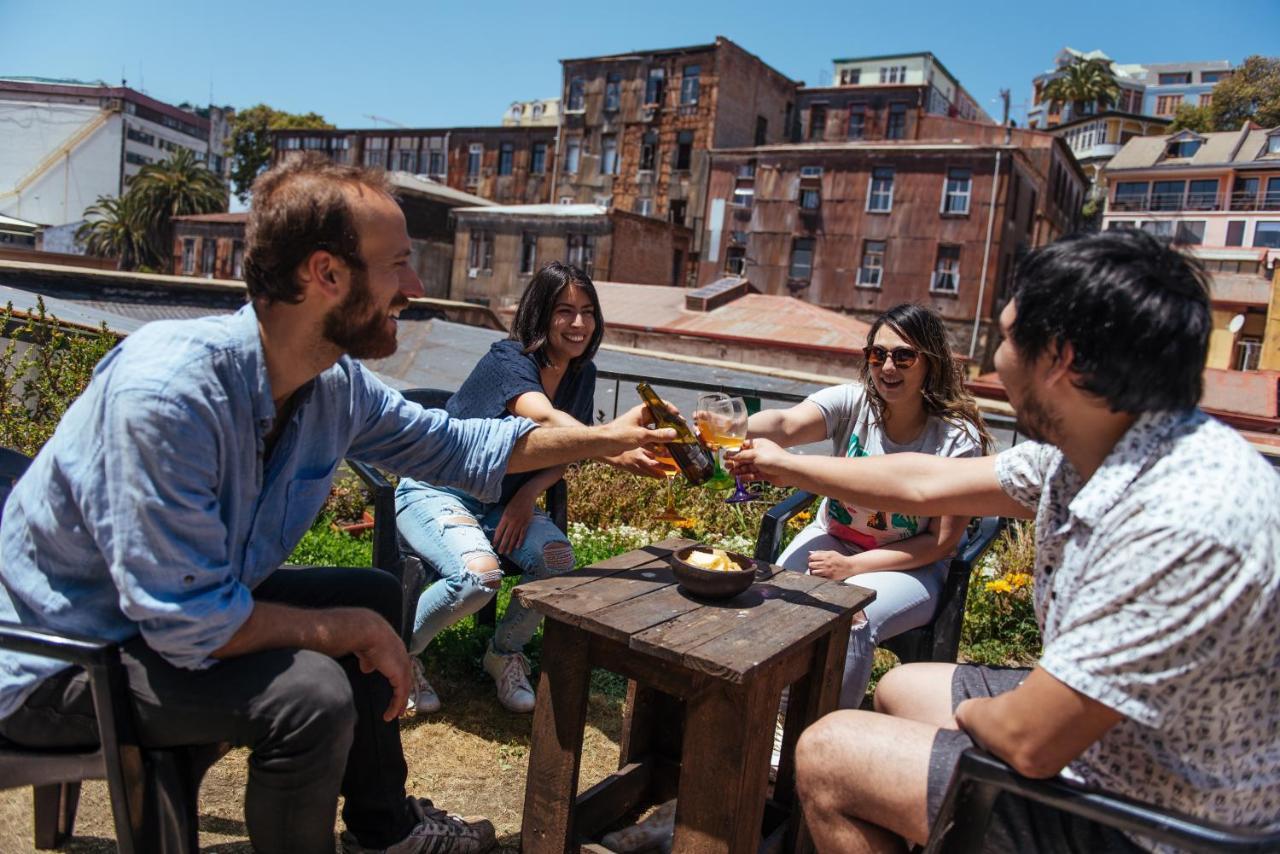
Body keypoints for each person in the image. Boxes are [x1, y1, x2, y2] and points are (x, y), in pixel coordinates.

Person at [0, 155, 673, 854]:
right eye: (398, 265)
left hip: (165, 620)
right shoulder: (169, 395)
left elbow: (457, 446)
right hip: (67, 661)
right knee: (312, 697)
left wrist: (600, 440)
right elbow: (187, 624)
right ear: (326, 274)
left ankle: (388, 831)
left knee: (372, 591)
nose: (413, 287)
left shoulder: (331, 384)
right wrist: (340, 631)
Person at [730, 229, 1280, 853]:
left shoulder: (1181, 522)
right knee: (900, 687)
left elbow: (1026, 740)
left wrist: (968, 722)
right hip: (1124, 741)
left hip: (1154, 818)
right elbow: (924, 482)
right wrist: (788, 465)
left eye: (1007, 338)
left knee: (830, 752)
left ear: (1062, 359)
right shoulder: (1100, 449)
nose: (994, 362)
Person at [396, 261, 665, 714]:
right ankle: (398, 654)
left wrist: (527, 494)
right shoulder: (508, 359)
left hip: (501, 501)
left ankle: (502, 655)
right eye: (564, 310)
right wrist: (615, 443)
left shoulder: (582, 373)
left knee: (558, 563)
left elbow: (563, 449)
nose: (578, 324)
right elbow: (543, 420)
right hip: (438, 490)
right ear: (540, 313)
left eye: (587, 311)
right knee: (479, 578)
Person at [747, 303, 991, 711]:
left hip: (912, 564)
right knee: (770, 594)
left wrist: (854, 569)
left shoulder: (956, 440)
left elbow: (939, 543)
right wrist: (724, 425)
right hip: (833, 537)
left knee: (854, 618)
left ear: (929, 361)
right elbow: (787, 426)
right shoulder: (853, 403)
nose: (887, 367)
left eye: (903, 356)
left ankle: (825, 729)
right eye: (877, 355)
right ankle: (768, 713)